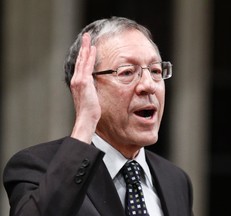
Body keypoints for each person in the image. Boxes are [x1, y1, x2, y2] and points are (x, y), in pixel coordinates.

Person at [3, 17, 193, 216]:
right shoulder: (36, 167)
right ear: (84, 86)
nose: (149, 85)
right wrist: (85, 121)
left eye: (155, 71)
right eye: (127, 72)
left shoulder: (176, 180)